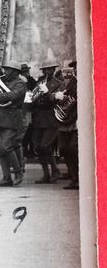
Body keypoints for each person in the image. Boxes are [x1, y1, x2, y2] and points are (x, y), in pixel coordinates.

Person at [0, 61, 28, 187]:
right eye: (5, 69)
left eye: (8, 70)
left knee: (6, 147)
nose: (5, 72)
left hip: (12, 118)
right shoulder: (4, 82)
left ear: (15, 71)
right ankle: (6, 178)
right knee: (0, 150)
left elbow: (13, 95)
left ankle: (18, 172)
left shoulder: (20, 83)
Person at [27, 62, 63, 183]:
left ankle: (55, 170)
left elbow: (56, 101)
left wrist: (47, 92)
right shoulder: (40, 82)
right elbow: (34, 100)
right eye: (45, 70)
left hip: (50, 117)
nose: (47, 72)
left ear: (53, 70)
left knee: (45, 145)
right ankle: (46, 174)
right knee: (37, 146)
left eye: (50, 69)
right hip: (39, 117)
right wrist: (31, 98)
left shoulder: (59, 84)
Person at [54, 60, 79, 190]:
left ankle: (79, 178)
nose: (77, 70)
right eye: (75, 68)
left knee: (73, 148)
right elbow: (66, 97)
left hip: (79, 120)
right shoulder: (71, 82)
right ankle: (74, 179)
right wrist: (58, 96)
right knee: (63, 149)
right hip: (67, 120)